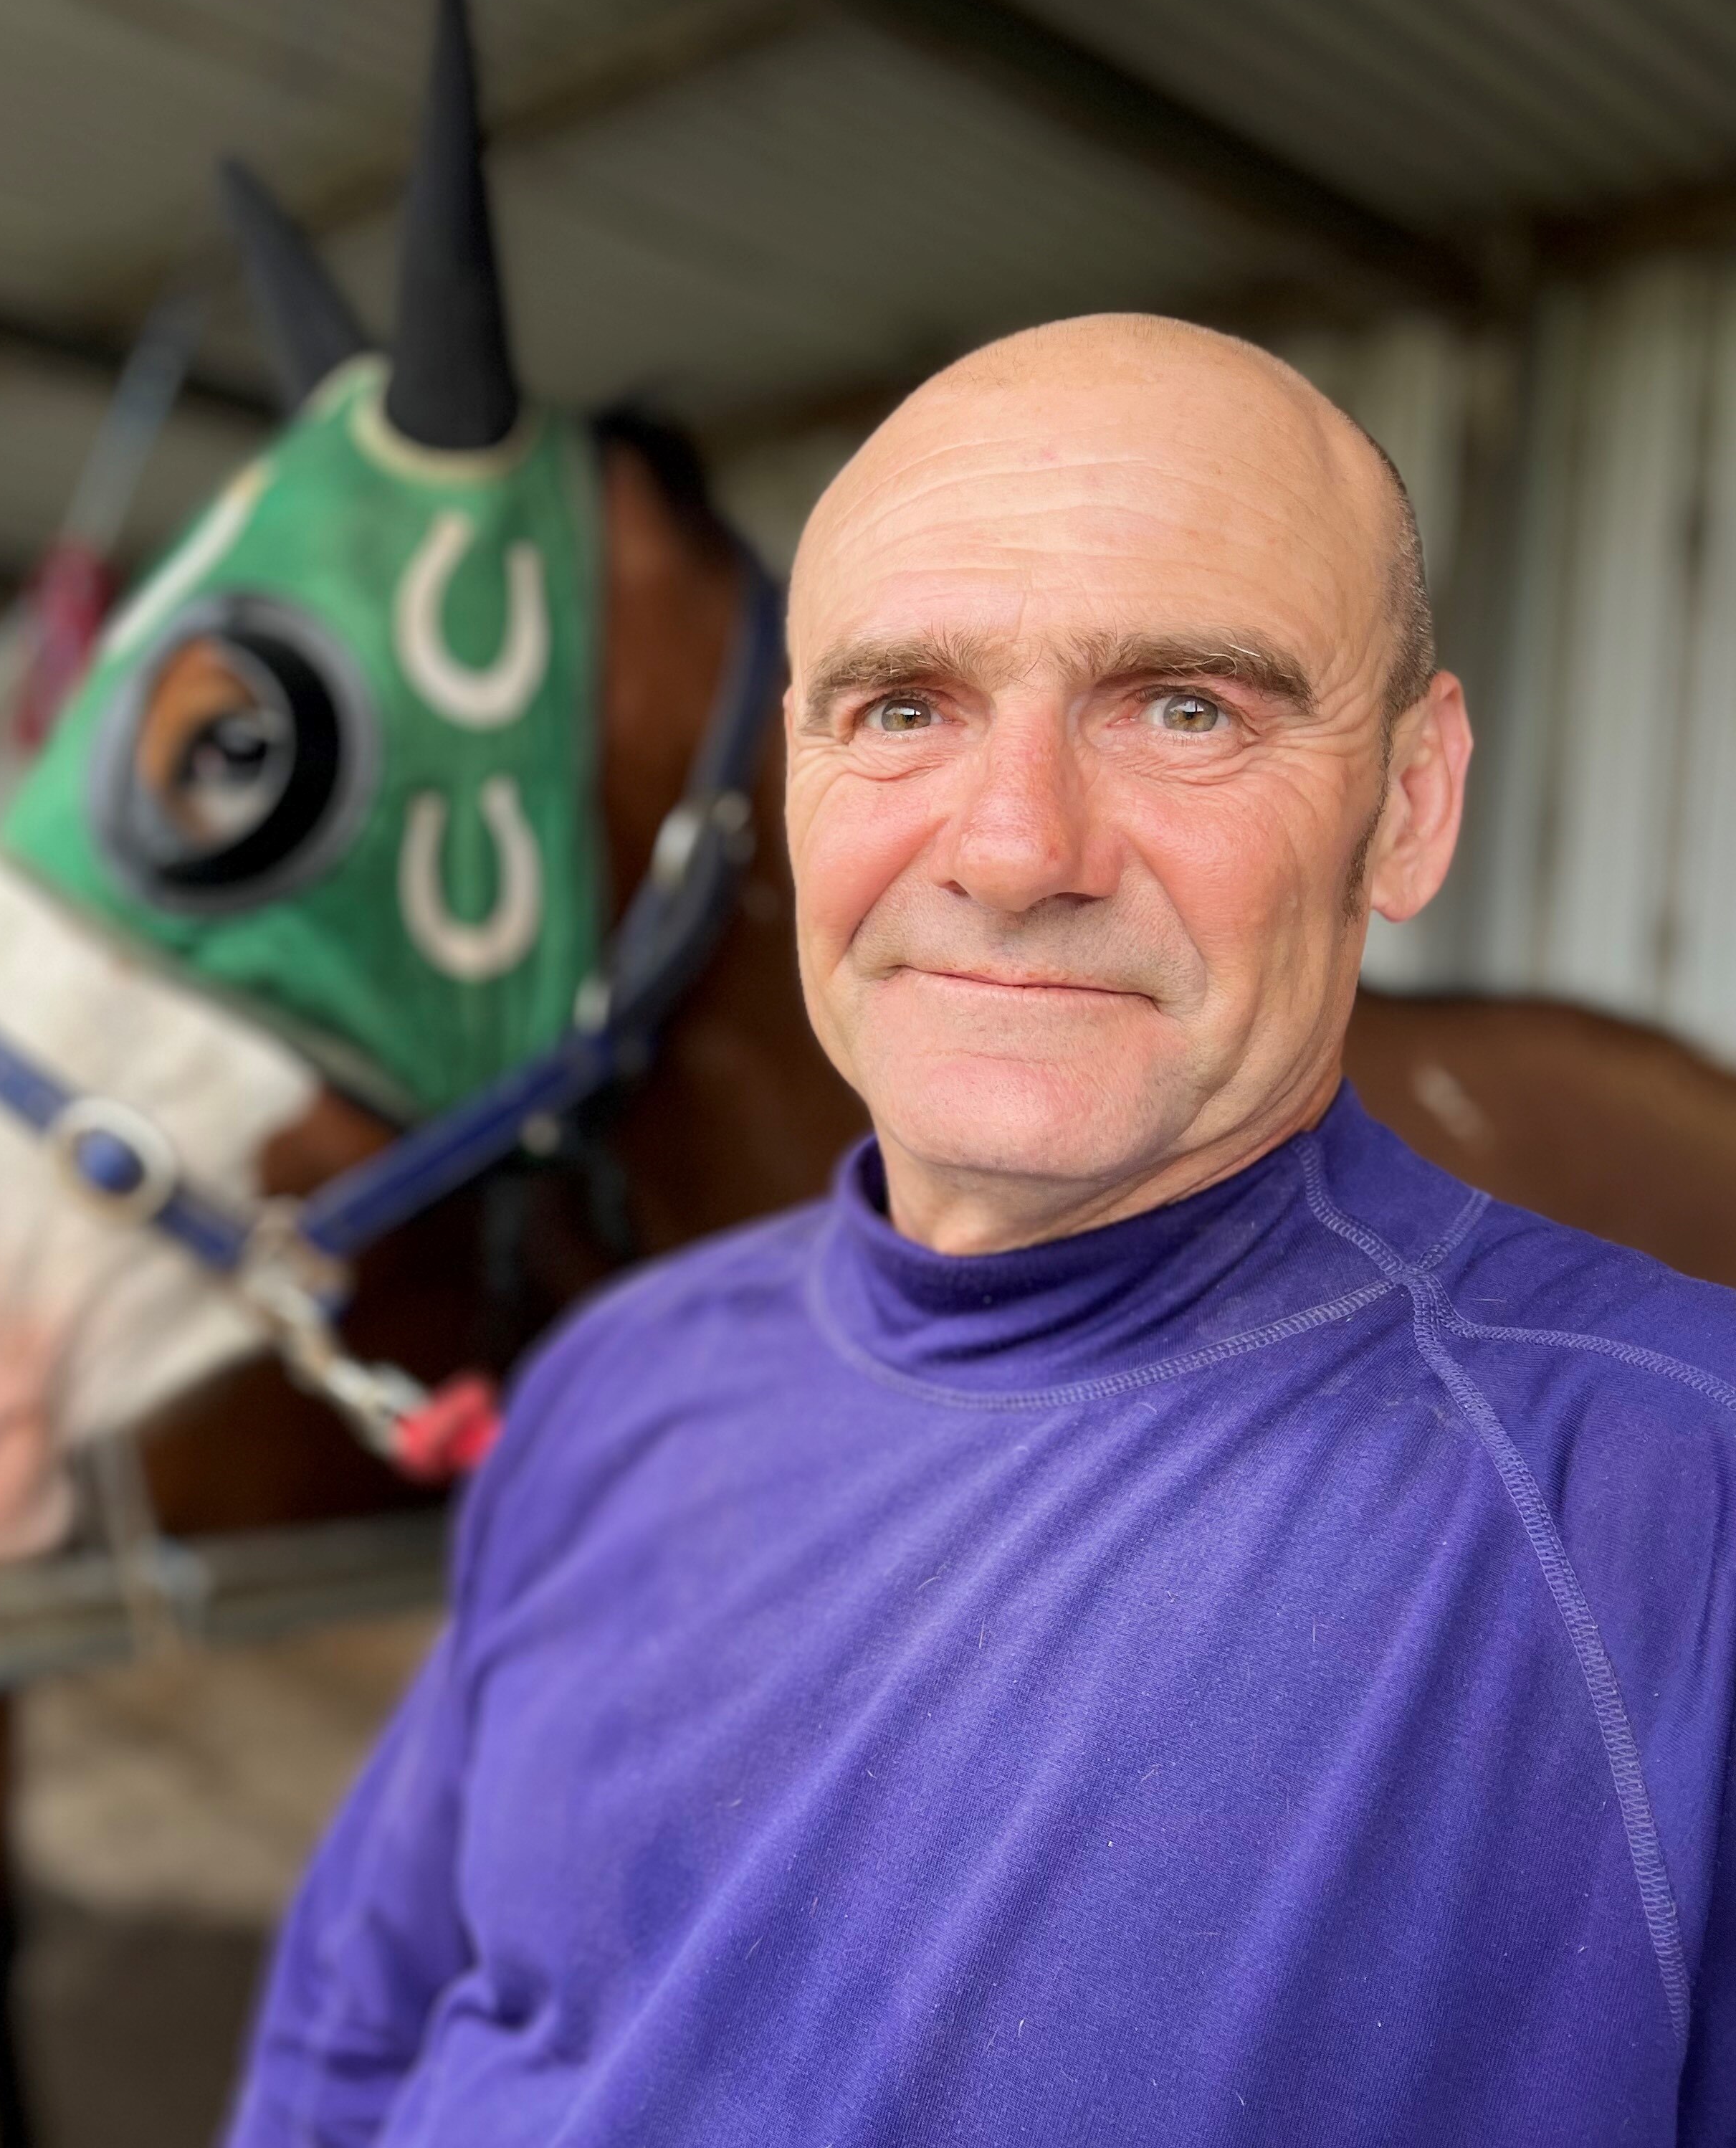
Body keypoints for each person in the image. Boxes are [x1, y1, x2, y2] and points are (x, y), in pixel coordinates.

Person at [221, 313, 1736, 2147]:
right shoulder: (612, 1384)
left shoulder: (1674, 1509)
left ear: (1406, 806)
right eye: (904, 708)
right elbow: (349, 2038)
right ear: (795, 771)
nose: (1015, 849)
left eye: (1189, 707)